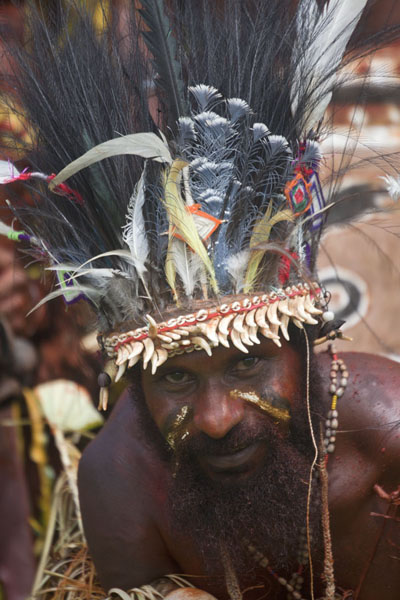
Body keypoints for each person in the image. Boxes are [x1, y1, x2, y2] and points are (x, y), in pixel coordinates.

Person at [0, 1, 399, 599]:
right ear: (134, 383)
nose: (216, 420)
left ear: (307, 348)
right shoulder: (121, 479)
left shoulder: (391, 438)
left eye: (246, 364)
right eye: (177, 379)